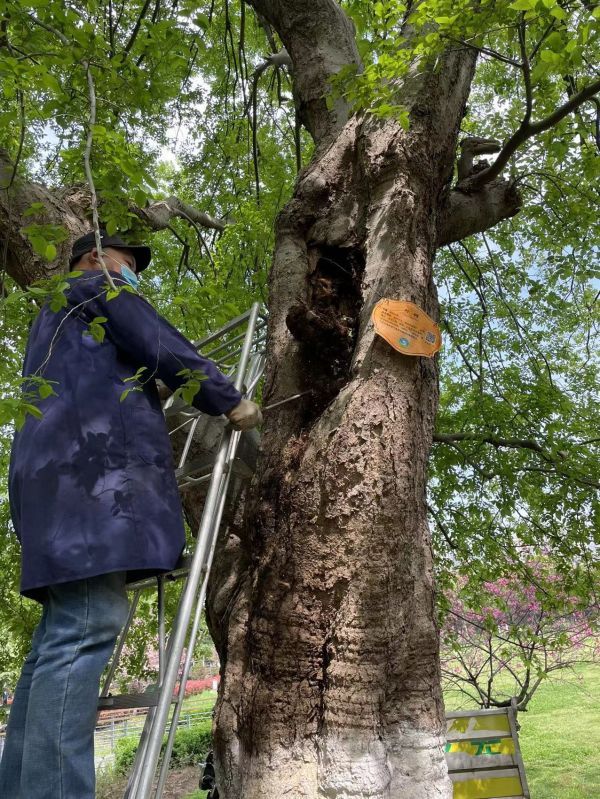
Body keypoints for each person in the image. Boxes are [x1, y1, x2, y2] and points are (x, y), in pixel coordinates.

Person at [0, 230, 261, 799]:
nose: (133, 275)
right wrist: (228, 398)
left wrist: (150, 387)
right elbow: (158, 340)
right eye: (128, 264)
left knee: (55, 644)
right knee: (86, 629)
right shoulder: (96, 286)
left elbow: (110, 377)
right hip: (94, 499)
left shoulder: (54, 325)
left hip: (57, 501)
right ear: (96, 259)